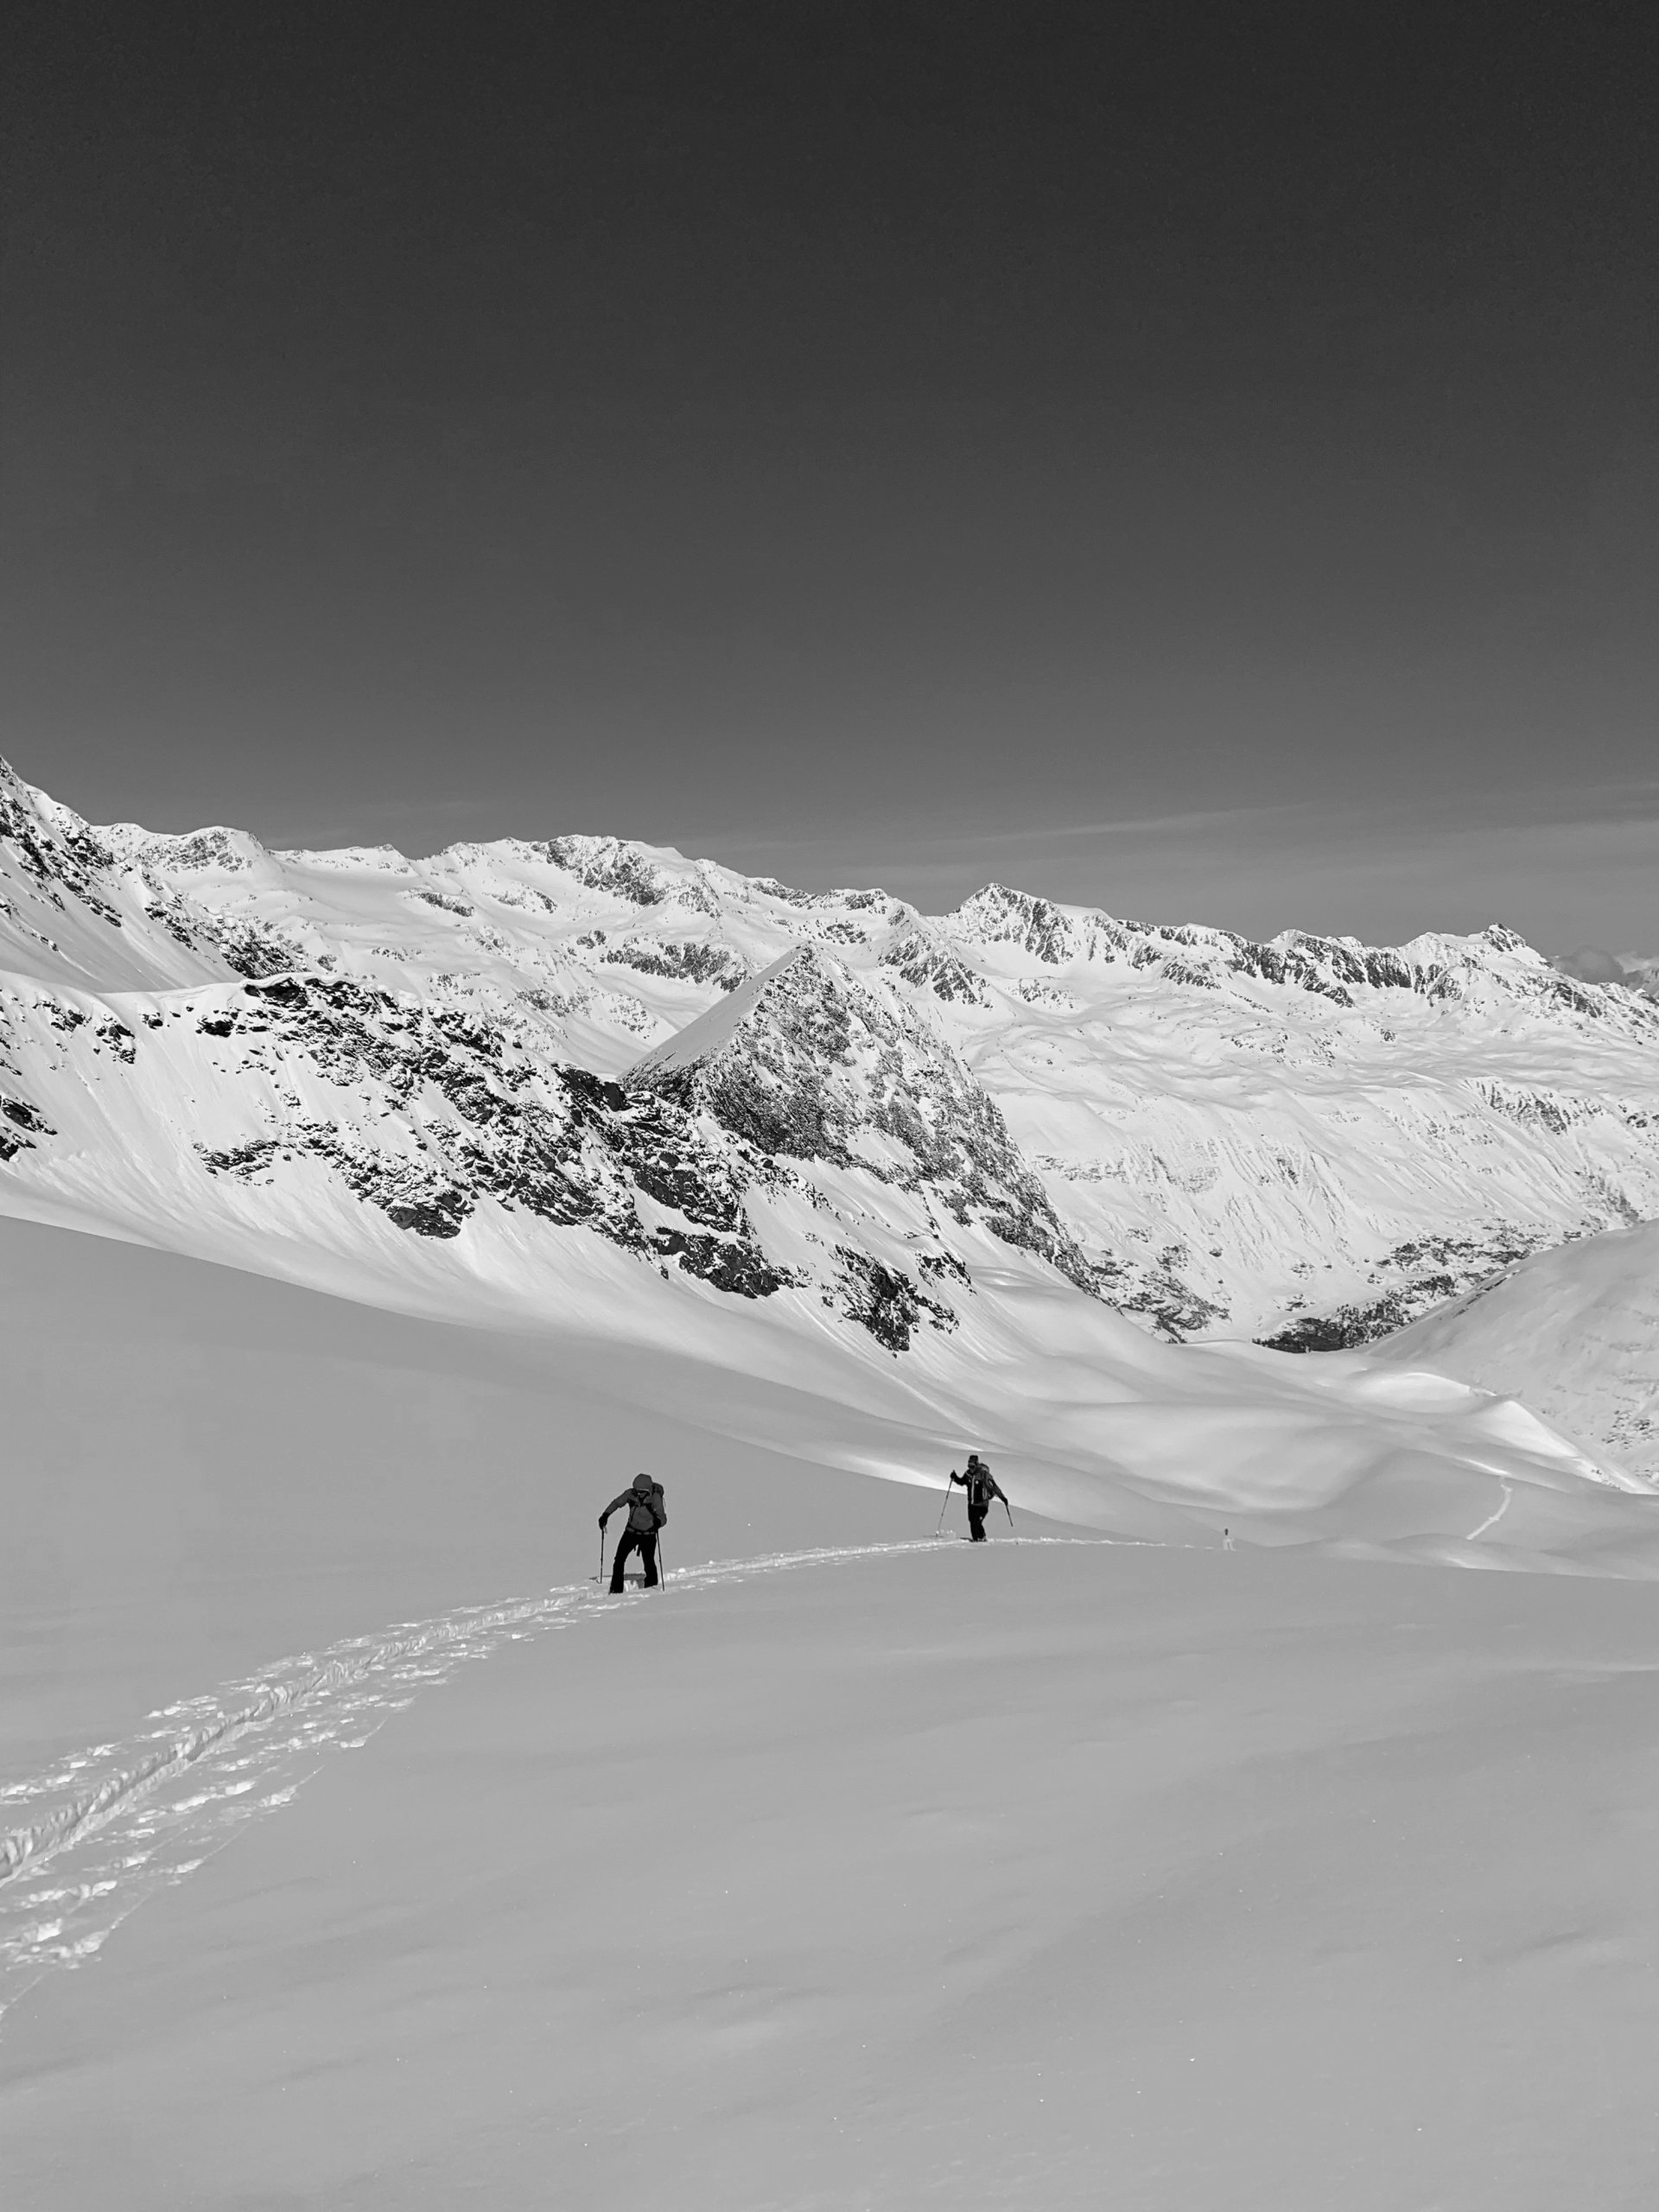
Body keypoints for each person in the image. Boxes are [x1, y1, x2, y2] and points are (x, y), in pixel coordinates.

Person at [601, 1473, 667, 1592]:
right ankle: (616, 1590)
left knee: (649, 1563)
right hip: (631, 1532)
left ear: (648, 1490)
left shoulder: (655, 1498)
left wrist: (657, 1522)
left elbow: (663, 1518)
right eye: (636, 1490)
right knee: (619, 1560)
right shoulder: (630, 1494)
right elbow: (616, 1503)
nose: (638, 1493)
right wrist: (605, 1515)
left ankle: (651, 1588)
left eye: (641, 1491)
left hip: (648, 1535)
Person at [949, 1452, 1008, 1542]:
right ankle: (976, 1540)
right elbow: (961, 1482)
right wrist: (955, 1477)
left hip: (982, 1505)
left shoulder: (983, 1475)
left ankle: (982, 1537)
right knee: (972, 1522)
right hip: (971, 1504)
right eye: (969, 1466)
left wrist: (1002, 1498)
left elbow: (994, 1487)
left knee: (976, 1521)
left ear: (976, 1465)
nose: (970, 1468)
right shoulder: (968, 1474)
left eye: (972, 1466)